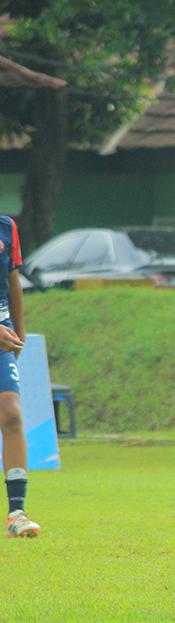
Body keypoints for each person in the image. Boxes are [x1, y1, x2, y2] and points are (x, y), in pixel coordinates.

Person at [0, 216, 38, 537]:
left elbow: (13, 284)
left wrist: (18, 335)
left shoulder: (6, 227)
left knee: (11, 414)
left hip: (2, 337)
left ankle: (17, 513)